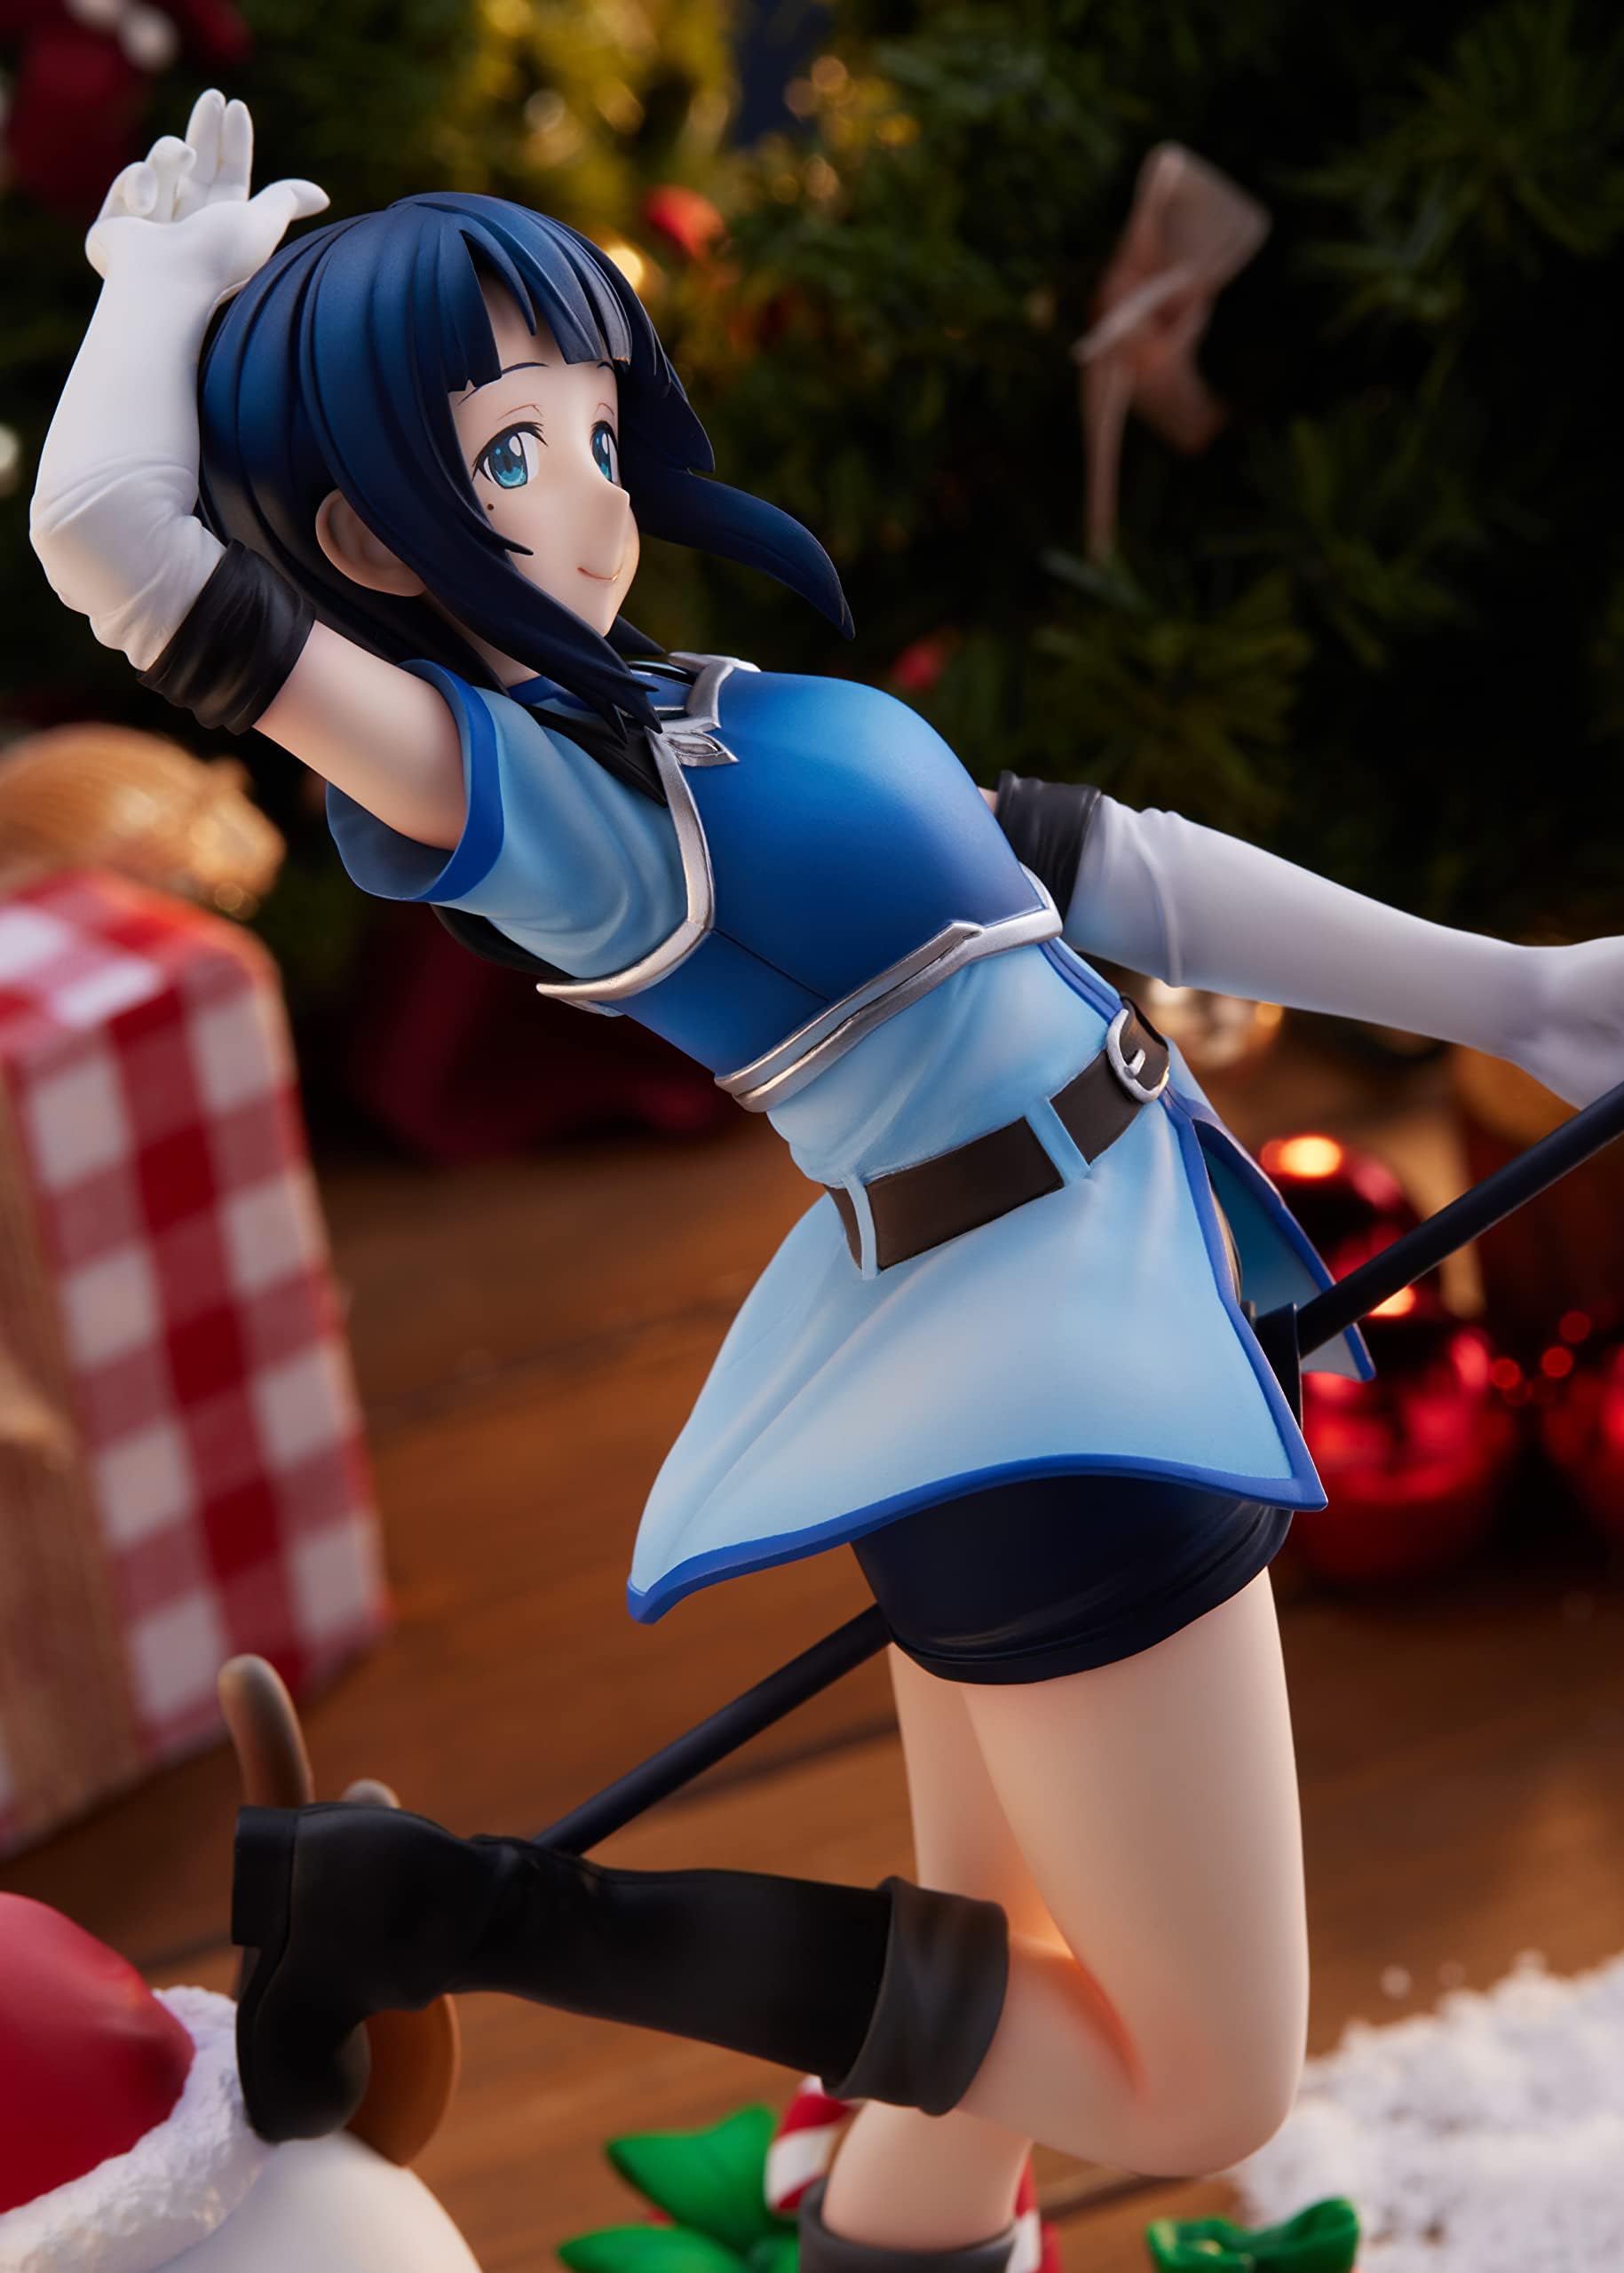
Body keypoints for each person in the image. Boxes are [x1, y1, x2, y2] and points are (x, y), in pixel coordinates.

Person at [33, 91, 1624, 2273]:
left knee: (1001, 1944)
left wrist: (1524, 998)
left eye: (597, 429)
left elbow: (1102, 865)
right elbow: (112, 540)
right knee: (1205, 2083)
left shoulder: (690, 709)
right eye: (516, 454)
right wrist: (153, 291)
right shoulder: (544, 816)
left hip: (1081, 1297)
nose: (599, 495)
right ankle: (476, 1908)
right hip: (1050, 1394)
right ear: (372, 537)